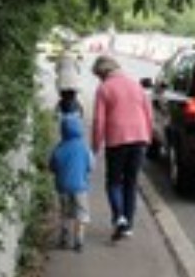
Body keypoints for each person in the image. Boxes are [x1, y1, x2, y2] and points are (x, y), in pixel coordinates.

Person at [91, 55, 152, 240]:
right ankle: (128, 225)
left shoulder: (104, 88)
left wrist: (95, 145)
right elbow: (148, 113)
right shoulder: (135, 85)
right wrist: (147, 137)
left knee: (113, 182)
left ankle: (119, 218)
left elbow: (99, 121)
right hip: (139, 138)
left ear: (102, 73)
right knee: (131, 183)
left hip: (117, 140)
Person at [49, 115, 95, 252]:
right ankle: (79, 240)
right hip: (80, 186)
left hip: (62, 187)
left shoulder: (59, 148)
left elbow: (52, 166)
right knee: (81, 213)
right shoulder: (84, 147)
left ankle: (64, 237)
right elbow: (91, 165)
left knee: (65, 212)